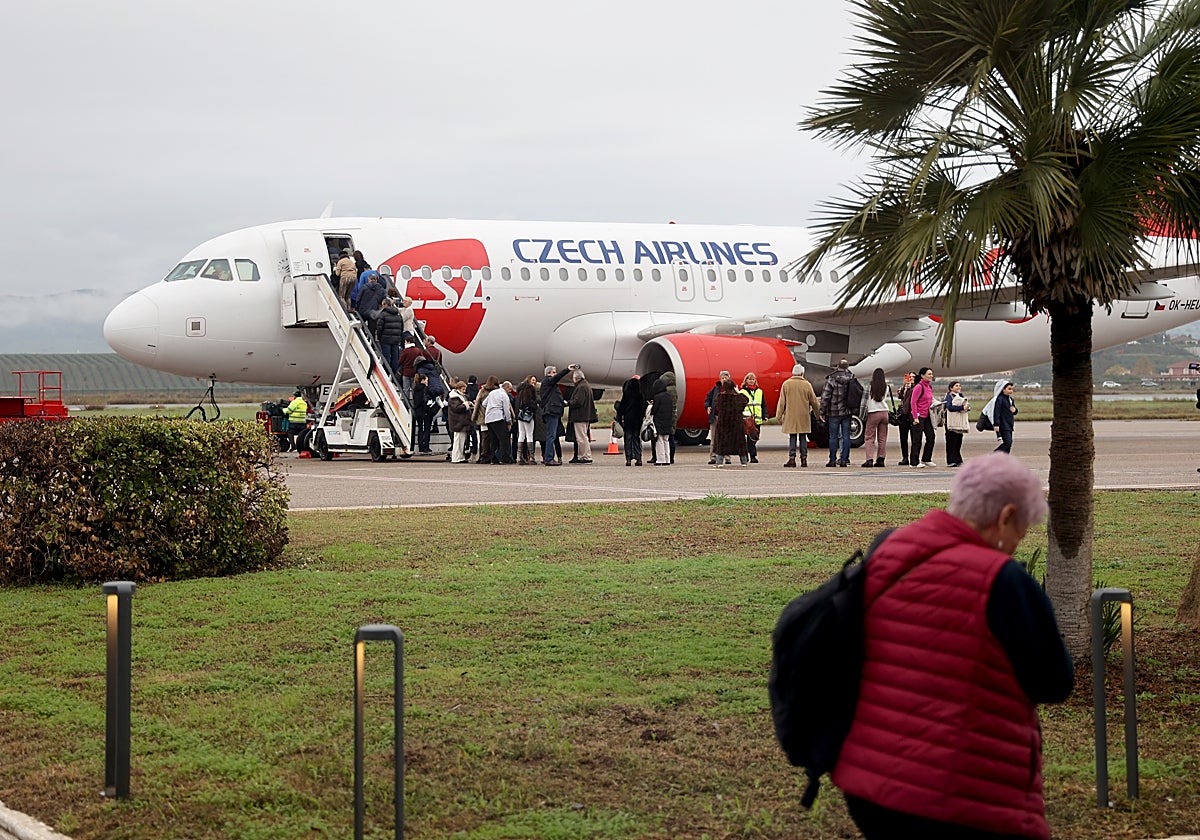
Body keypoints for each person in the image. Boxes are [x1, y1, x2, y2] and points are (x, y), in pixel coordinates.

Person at [833, 452, 1073, 840]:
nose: (1015, 546)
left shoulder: (889, 550)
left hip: (871, 785)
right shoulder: (1003, 579)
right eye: (1020, 532)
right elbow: (1054, 683)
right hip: (958, 796)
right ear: (1006, 516)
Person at [775, 363, 821, 467]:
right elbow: (814, 401)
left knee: (792, 437)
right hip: (803, 415)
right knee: (803, 437)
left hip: (791, 415)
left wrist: (779, 415)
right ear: (802, 373)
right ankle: (804, 458)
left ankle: (792, 458)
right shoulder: (807, 384)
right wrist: (818, 414)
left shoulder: (786, 384)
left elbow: (782, 402)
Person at [820, 359, 857, 467]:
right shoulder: (852, 378)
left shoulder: (832, 379)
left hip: (834, 412)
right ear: (847, 366)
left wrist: (822, 411)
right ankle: (844, 459)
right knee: (846, 436)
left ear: (837, 366)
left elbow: (825, 396)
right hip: (847, 411)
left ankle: (832, 459)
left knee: (833, 437)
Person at [539, 364, 575, 466]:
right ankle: (549, 458)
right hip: (551, 412)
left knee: (552, 435)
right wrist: (567, 369)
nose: (555, 374)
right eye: (553, 372)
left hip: (552, 411)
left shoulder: (549, 385)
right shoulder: (548, 381)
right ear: (548, 374)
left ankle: (550, 457)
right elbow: (557, 378)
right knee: (551, 436)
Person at [712, 379, 750, 466]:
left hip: (723, 423)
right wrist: (738, 392)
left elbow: (716, 404)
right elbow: (746, 400)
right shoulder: (738, 398)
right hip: (736, 423)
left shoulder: (720, 397)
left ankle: (719, 461)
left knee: (721, 443)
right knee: (740, 443)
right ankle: (743, 461)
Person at [861, 368, 890, 467]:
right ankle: (881, 459)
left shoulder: (869, 386)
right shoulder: (886, 386)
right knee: (882, 438)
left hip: (873, 412)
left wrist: (861, 415)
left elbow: (864, 402)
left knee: (869, 437)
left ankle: (869, 459)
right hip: (884, 412)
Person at [615, 376, 647, 466]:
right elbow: (644, 407)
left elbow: (621, 408)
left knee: (628, 438)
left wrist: (619, 417)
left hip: (628, 419)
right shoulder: (641, 395)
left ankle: (628, 459)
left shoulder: (626, 394)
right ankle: (639, 458)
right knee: (637, 438)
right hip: (638, 419)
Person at [909, 366, 937, 467]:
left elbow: (931, 400)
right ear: (922, 375)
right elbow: (913, 402)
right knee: (917, 439)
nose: (931, 376)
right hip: (918, 416)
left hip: (927, 416)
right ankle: (914, 462)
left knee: (931, 437)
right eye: (929, 374)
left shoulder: (929, 387)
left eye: (931, 374)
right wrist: (915, 417)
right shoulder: (919, 387)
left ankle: (926, 458)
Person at [568, 368, 596, 464]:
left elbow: (578, 402)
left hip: (580, 416)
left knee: (581, 438)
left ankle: (586, 456)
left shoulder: (581, 387)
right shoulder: (586, 385)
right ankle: (581, 456)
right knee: (583, 437)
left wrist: (568, 403)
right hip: (585, 415)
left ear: (576, 378)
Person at [483, 378, 515, 463]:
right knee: (504, 439)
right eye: (510, 389)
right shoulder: (504, 395)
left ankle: (493, 459)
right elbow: (506, 410)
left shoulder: (492, 392)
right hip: (498, 418)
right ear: (507, 387)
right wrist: (508, 421)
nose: (510, 391)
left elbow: (484, 403)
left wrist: (491, 407)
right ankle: (505, 458)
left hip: (489, 418)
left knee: (493, 440)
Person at [705, 370, 733, 464]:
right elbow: (708, 398)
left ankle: (727, 457)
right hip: (715, 416)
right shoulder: (715, 389)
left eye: (726, 377)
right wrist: (707, 406)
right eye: (722, 378)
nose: (724, 379)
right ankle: (713, 457)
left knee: (726, 437)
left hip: (726, 417)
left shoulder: (732, 389)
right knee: (713, 438)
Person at [375, 292, 405, 378]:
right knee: (395, 357)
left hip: (385, 340)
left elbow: (379, 327)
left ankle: (387, 373)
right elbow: (401, 328)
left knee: (386, 357)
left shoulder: (383, 314)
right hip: (395, 340)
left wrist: (380, 338)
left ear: (384, 305)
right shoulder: (398, 315)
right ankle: (395, 374)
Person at [983, 380, 1018, 453]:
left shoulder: (1011, 399)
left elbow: (1014, 411)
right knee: (1008, 442)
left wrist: (1015, 410)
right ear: (1003, 389)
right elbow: (996, 412)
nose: (1011, 391)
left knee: (1009, 444)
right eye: (1009, 389)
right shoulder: (1000, 399)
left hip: (1009, 424)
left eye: (1012, 389)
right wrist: (996, 424)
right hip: (1003, 424)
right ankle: (995, 454)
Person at [944, 380, 971, 467]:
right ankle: (951, 460)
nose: (959, 387)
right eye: (956, 386)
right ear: (951, 388)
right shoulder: (949, 396)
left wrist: (967, 408)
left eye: (959, 385)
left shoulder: (961, 396)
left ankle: (958, 459)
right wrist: (962, 407)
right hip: (951, 422)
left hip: (959, 422)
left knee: (958, 441)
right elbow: (949, 407)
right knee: (951, 441)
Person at [649, 376, 675, 466]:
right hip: (668, 421)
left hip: (659, 421)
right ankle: (667, 459)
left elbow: (654, 410)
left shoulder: (657, 397)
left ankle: (660, 459)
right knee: (666, 440)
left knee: (659, 440)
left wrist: (652, 406)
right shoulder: (668, 396)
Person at [740, 372, 766, 463]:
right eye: (749, 379)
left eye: (753, 379)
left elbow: (763, 405)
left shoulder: (760, 392)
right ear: (746, 381)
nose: (751, 381)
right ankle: (752, 456)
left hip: (757, 419)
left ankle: (747, 453)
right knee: (750, 438)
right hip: (747, 419)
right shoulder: (742, 392)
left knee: (755, 438)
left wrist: (765, 415)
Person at [514, 375, 539, 464]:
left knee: (521, 434)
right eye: (533, 380)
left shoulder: (520, 389)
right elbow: (527, 401)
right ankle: (531, 458)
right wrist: (535, 405)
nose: (534, 382)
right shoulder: (529, 389)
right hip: (528, 414)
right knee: (529, 435)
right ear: (529, 380)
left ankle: (519, 457)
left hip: (520, 415)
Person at [447, 380, 472, 463]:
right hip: (458, 422)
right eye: (463, 389)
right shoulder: (454, 397)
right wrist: (466, 405)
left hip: (460, 422)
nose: (464, 391)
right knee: (458, 441)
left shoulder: (457, 397)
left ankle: (460, 457)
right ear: (458, 389)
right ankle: (456, 457)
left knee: (461, 441)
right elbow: (457, 408)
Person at [896, 372, 917, 465]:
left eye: (913, 377)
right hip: (904, 414)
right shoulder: (905, 388)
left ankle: (914, 456)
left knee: (914, 437)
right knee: (903, 437)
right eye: (910, 377)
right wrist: (904, 386)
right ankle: (905, 457)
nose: (911, 378)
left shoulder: (917, 388)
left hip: (913, 414)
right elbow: (900, 396)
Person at [411, 373, 434, 455]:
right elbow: (426, 400)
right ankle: (426, 447)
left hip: (418, 411)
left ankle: (421, 447)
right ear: (423, 380)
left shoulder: (415, 389)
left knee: (420, 429)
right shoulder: (426, 389)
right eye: (426, 380)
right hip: (426, 411)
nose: (427, 382)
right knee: (427, 429)